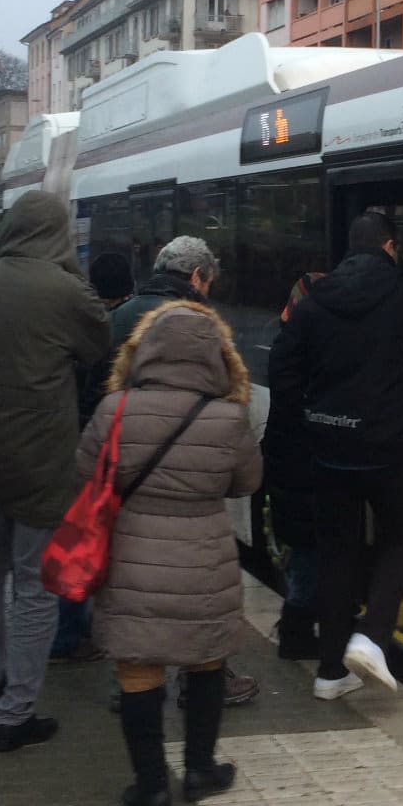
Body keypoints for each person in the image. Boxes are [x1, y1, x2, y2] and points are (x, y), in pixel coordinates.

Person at [0, 192, 108, 752]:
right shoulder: (66, 292)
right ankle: (17, 712)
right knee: (34, 586)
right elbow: (97, 345)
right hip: (42, 462)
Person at [78, 300, 262, 806]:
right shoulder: (229, 416)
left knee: (138, 670)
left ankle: (152, 786)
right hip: (205, 558)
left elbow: (85, 476)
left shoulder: (113, 410)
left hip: (132, 553)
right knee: (206, 660)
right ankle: (201, 769)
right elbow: (248, 482)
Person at [269, 212, 403, 699]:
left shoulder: (313, 302)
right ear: (390, 248)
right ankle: (373, 633)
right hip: (390, 447)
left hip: (329, 449)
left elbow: (284, 369)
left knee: (336, 553)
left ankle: (329, 674)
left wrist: (309, 423)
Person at [101, 236, 260, 710]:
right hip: (196, 515)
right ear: (197, 278)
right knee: (200, 603)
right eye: (208, 282)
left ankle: (132, 691)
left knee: (137, 601)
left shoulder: (118, 318)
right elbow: (244, 474)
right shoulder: (205, 328)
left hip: (130, 503)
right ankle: (204, 691)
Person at [48, 251, 136, 666]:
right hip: (116, 449)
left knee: (82, 540)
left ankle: (70, 631)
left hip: (80, 443)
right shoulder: (132, 329)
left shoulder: (80, 325)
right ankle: (77, 633)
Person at [261, 270, 324, 661]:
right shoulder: (302, 348)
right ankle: (296, 632)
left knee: (307, 551)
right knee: (308, 554)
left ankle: (300, 626)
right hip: (302, 467)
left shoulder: (286, 340)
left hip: (289, 465)